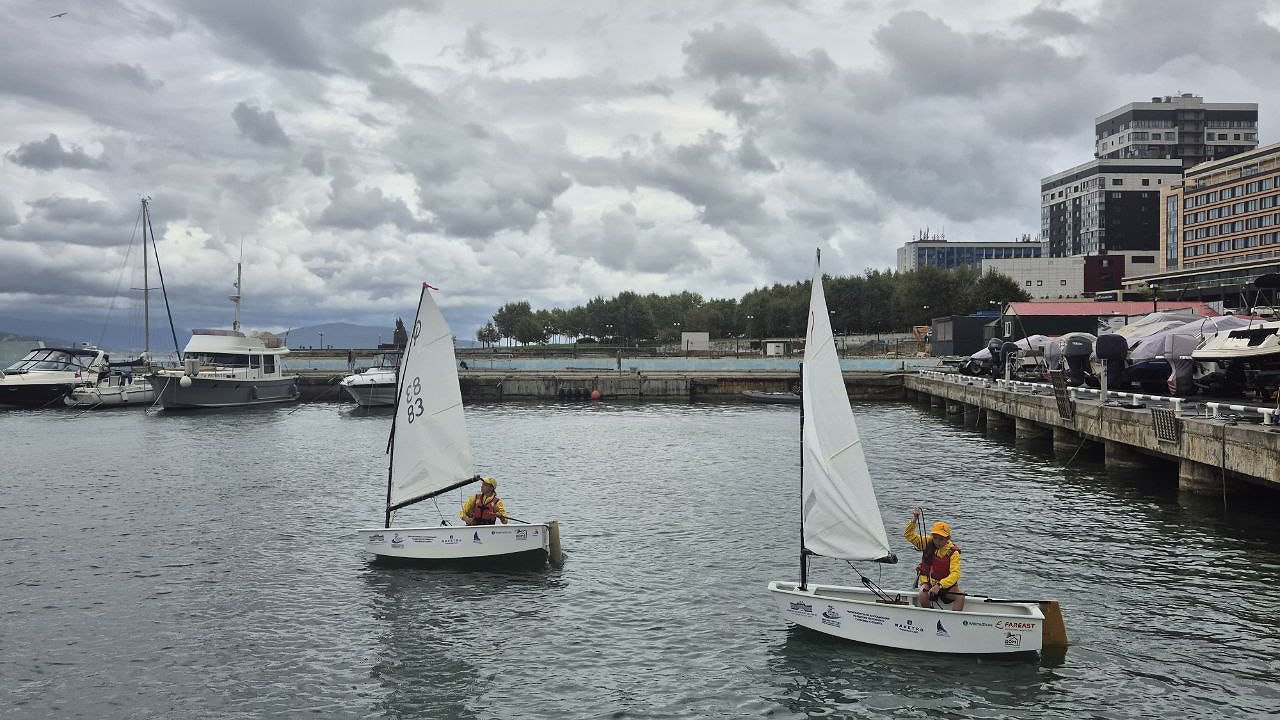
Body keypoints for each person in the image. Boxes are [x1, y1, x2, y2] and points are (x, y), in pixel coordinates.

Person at [905, 507, 964, 610]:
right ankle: (930, 615)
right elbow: (908, 535)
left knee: (961, 596)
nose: (937, 541)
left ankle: (955, 620)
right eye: (935, 538)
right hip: (928, 582)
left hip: (946, 586)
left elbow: (955, 574)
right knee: (922, 596)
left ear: (948, 538)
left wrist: (939, 585)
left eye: (941, 539)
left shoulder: (953, 552)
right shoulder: (927, 542)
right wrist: (914, 519)